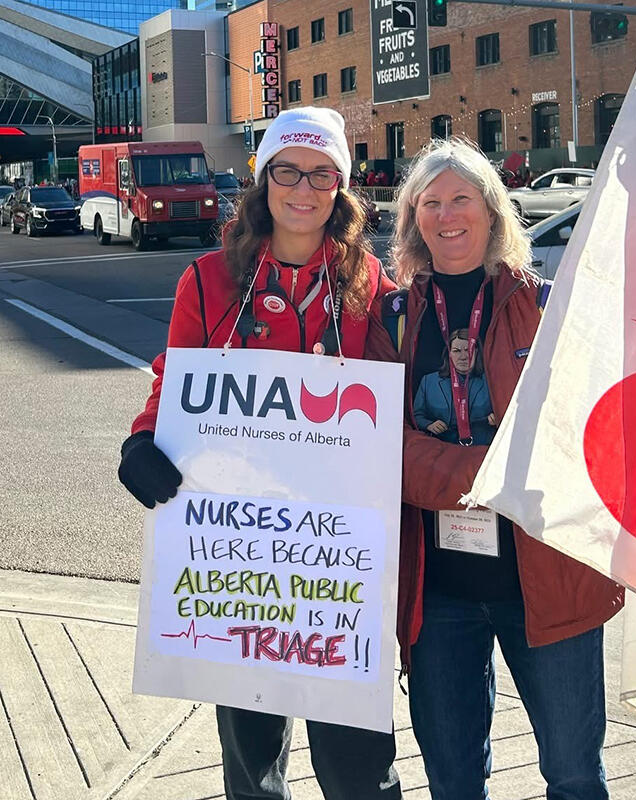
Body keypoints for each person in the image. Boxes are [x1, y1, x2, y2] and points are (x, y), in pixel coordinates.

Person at [117, 106, 402, 800]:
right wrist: (142, 439)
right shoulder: (210, 280)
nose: (303, 189)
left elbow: (396, 404)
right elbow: (176, 381)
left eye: (321, 174)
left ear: (341, 185)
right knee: (252, 764)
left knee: (360, 767)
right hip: (242, 558)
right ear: (263, 178)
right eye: (287, 171)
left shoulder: (372, 285)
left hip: (337, 558)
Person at [366, 138, 624, 800]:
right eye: (430, 203)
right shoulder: (390, 319)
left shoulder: (546, 307)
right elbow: (375, 447)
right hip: (438, 593)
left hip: (549, 579)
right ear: (414, 219)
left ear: (491, 209)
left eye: (462, 199)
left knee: (573, 776)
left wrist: (448, 468)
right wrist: (496, 470)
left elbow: (578, 438)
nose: (447, 215)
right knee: (452, 782)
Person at [413, 328, 495, 445]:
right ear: (449, 354)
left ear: (477, 351)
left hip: (481, 448)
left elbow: (505, 412)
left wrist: (497, 418)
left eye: (468, 350)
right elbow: (416, 415)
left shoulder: (491, 381)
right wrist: (429, 425)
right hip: (441, 448)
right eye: (456, 351)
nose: (463, 356)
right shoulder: (429, 381)